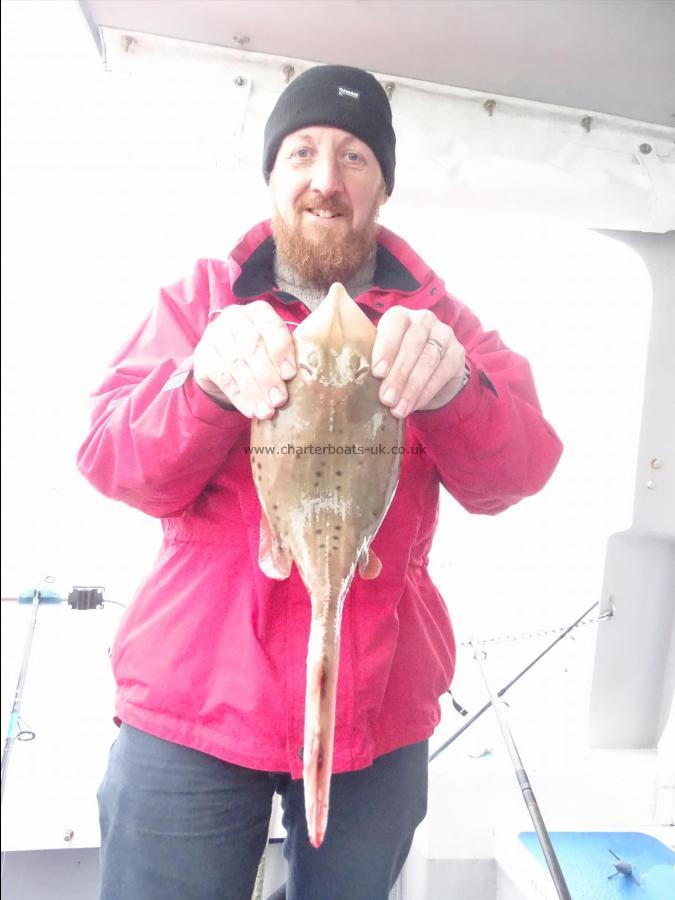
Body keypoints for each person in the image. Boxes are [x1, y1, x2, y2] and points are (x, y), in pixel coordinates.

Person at [77, 65, 563, 900]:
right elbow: (111, 460)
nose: (325, 179)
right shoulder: (202, 301)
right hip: (197, 695)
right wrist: (201, 383)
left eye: (354, 157)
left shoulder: (439, 322)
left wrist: (452, 390)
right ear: (271, 174)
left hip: (375, 711)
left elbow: (515, 473)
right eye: (300, 151)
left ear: (382, 185)